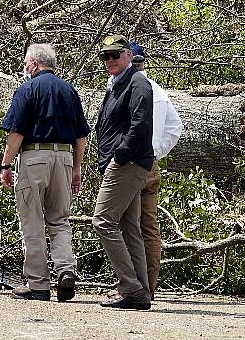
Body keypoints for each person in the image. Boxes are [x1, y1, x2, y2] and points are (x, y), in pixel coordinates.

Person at [0, 44, 89, 302]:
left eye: (26, 64)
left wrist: (6, 164)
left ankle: (38, 283)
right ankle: (65, 271)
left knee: (32, 220)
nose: (25, 69)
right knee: (59, 219)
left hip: (34, 156)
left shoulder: (27, 89)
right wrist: (76, 168)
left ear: (35, 64)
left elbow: (16, 132)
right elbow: (81, 135)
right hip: (64, 156)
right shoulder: (69, 91)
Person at [92, 34, 155, 310]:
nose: (110, 61)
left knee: (102, 221)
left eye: (115, 55)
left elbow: (140, 125)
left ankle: (129, 287)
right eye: (105, 56)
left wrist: (120, 156)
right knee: (130, 228)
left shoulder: (138, 82)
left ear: (129, 55)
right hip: (119, 162)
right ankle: (140, 291)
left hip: (127, 164)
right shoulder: (117, 84)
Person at [130, 41, 183, 299]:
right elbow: (175, 127)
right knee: (148, 225)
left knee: (124, 223)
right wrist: (157, 152)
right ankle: (148, 286)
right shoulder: (159, 91)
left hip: (132, 163)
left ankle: (132, 284)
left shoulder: (130, 89)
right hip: (150, 163)